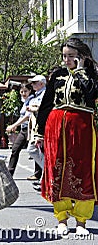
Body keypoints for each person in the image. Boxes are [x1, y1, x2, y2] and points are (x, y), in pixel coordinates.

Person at [36, 37, 98, 236]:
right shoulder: (58, 75)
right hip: (55, 126)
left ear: (82, 57)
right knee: (57, 169)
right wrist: (39, 131)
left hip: (82, 127)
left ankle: (81, 221)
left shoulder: (91, 75)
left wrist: (80, 72)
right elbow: (46, 103)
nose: (66, 60)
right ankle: (61, 218)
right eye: (64, 56)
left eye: (71, 56)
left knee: (82, 170)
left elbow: (91, 95)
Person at [6, 83, 34, 176]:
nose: (23, 93)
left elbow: (27, 116)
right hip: (23, 129)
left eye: (25, 91)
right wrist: (15, 126)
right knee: (15, 149)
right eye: (21, 91)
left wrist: (13, 125)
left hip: (31, 129)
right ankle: (10, 173)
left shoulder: (32, 100)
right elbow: (22, 116)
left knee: (35, 151)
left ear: (30, 91)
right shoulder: (24, 102)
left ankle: (38, 174)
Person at [25, 75, 46, 182]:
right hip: (35, 127)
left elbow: (43, 108)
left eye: (34, 82)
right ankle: (45, 176)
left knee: (36, 150)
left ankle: (46, 176)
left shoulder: (45, 94)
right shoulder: (36, 95)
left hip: (41, 128)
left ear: (41, 83)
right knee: (35, 150)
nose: (32, 85)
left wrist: (33, 108)